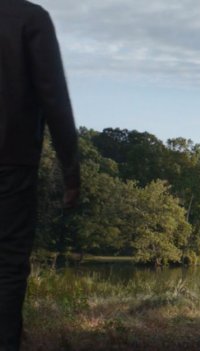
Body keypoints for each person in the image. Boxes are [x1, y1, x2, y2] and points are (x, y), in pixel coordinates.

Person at [1, 1, 80, 350]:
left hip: (13, 163)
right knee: (8, 264)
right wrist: (71, 171)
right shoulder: (29, 19)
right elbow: (54, 98)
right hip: (12, 162)